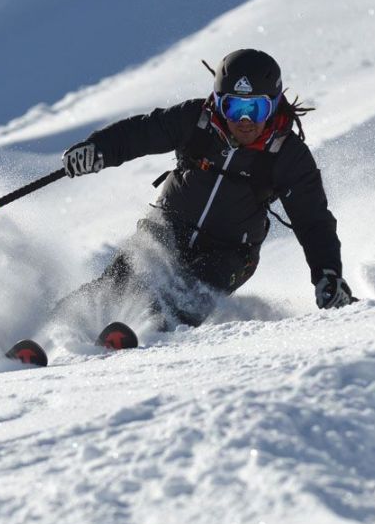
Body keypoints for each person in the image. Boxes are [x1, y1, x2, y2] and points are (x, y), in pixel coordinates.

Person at [59, 48, 354, 335]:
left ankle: (147, 335)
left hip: (231, 252)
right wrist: (97, 149)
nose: (245, 120)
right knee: (119, 281)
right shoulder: (196, 121)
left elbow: (312, 220)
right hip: (169, 225)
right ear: (218, 102)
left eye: (257, 108)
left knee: (193, 291)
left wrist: (327, 273)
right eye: (235, 107)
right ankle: (53, 329)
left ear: (275, 105)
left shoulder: (288, 155)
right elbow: (140, 133)